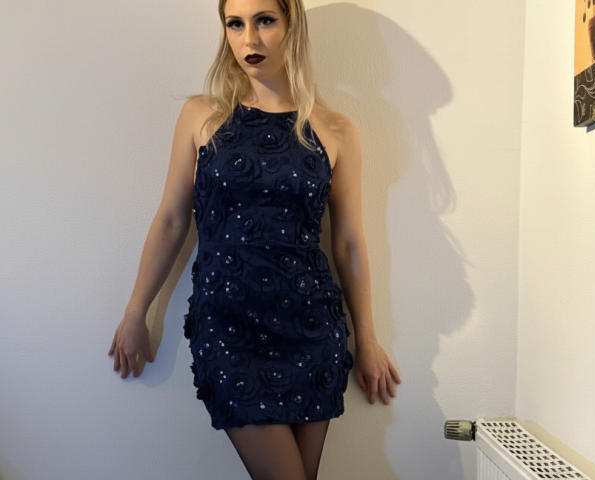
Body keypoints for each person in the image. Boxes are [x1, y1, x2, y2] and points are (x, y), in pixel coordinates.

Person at [108, 0, 402, 478]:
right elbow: (171, 221)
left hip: (311, 328)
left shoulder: (335, 129)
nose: (249, 39)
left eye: (265, 20)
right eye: (235, 24)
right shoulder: (202, 116)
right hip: (228, 327)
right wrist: (135, 311)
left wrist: (367, 338)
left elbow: (348, 241)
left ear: (291, 26)